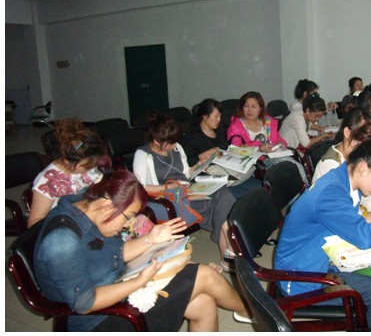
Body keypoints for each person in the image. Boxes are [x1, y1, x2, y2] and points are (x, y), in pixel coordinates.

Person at [33, 170, 250, 332]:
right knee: (204, 275)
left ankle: (250, 310)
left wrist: (150, 239)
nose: (127, 225)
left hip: (116, 289)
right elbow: (85, 303)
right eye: (128, 217)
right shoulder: (62, 241)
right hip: (98, 320)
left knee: (204, 304)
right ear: (107, 206)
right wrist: (139, 281)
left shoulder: (87, 208)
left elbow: (116, 252)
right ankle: (252, 311)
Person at [275, 140, 371, 331]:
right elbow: (363, 238)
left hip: (322, 260)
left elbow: (346, 221)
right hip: (301, 279)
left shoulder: (344, 179)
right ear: (363, 168)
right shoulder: (331, 193)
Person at [133, 113, 236, 268]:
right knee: (219, 205)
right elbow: (139, 188)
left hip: (186, 191)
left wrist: (200, 164)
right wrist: (167, 187)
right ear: (157, 141)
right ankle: (229, 252)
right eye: (171, 143)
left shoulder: (177, 148)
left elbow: (186, 174)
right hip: (166, 198)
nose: (175, 146)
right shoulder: (143, 154)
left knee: (222, 193)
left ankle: (228, 254)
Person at [28, 117, 108, 227]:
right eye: (87, 165)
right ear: (68, 161)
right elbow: (34, 222)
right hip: (67, 227)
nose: (91, 168)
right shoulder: (48, 181)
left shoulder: (89, 163)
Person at [184, 98, 262, 200]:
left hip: (226, 167)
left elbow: (226, 149)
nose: (219, 119)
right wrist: (202, 156)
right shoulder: (192, 136)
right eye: (216, 116)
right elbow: (185, 162)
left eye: (220, 116)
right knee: (248, 191)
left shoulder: (218, 130)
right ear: (205, 116)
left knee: (256, 180)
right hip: (208, 174)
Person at [312, 108, 371, 215]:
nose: (366, 148)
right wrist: (365, 218)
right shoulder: (330, 165)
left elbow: (361, 187)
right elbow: (335, 210)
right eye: (361, 141)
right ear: (347, 132)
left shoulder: (356, 156)